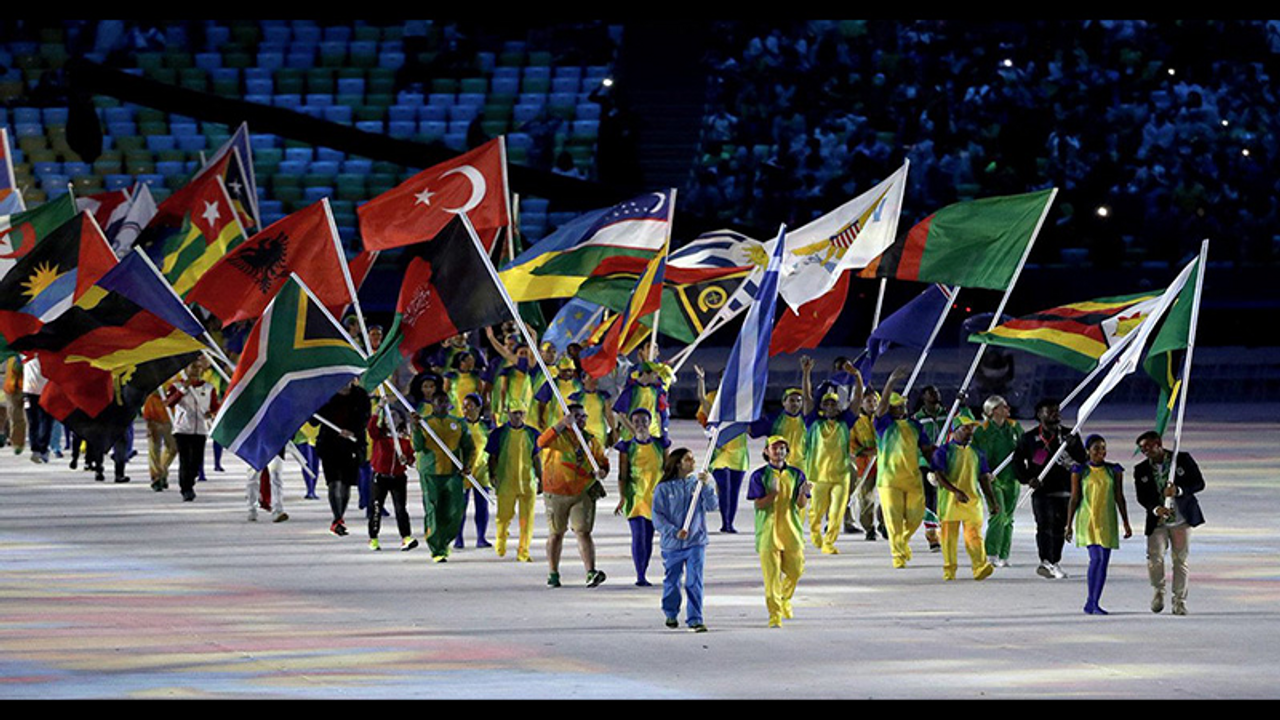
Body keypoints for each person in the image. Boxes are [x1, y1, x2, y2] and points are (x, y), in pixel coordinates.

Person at [538, 402, 610, 588]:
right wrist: (561, 424)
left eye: (583, 416)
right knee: (556, 533)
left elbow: (602, 461)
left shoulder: (591, 440)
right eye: (576, 416)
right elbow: (541, 442)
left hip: (583, 491)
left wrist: (602, 471)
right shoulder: (557, 437)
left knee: (583, 532)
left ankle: (590, 571)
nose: (581, 420)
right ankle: (553, 573)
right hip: (556, 491)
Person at [1133, 431, 1206, 616]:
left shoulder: (1181, 460)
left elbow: (1199, 483)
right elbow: (1142, 497)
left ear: (1159, 443)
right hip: (1158, 522)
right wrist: (1156, 509)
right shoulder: (1141, 469)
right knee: (1154, 558)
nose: (1146, 451)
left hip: (1181, 520)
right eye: (1142, 449)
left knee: (1180, 560)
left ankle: (1179, 600)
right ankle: (1158, 590)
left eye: (1149, 447)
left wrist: (1179, 490)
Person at [1014, 398, 1086, 580]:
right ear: (1040, 415)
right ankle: (1045, 560)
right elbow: (1017, 463)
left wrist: (1074, 445)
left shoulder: (1070, 436)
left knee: (1059, 528)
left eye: (1057, 411)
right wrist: (1027, 479)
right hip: (1042, 491)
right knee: (1044, 526)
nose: (1055, 414)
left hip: (1065, 489)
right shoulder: (1029, 438)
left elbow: (1083, 461)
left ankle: (1054, 561)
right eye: (1050, 411)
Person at [874, 366, 936, 568]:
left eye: (902, 405)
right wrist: (890, 382)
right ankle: (897, 555)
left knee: (916, 517)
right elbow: (880, 408)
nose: (901, 409)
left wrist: (937, 463)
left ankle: (902, 541)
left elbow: (926, 448)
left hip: (912, 479)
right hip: (889, 480)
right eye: (897, 406)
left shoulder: (915, 425)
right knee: (893, 520)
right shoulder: (883, 426)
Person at [747, 435, 810, 628]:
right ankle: (774, 614)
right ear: (766, 451)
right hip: (768, 532)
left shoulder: (797, 474)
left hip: (791, 529)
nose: (779, 451)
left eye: (783, 448)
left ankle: (784, 598)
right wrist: (772, 494)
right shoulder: (759, 476)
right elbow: (758, 504)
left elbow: (800, 504)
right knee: (772, 577)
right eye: (775, 448)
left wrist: (802, 493)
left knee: (796, 569)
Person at [652, 448, 717, 632]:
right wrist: (673, 531)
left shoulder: (696, 485)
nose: (693, 462)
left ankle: (695, 618)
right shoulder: (663, 489)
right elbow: (658, 516)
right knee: (672, 580)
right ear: (678, 463)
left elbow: (712, 506)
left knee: (694, 580)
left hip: (696, 542)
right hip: (672, 545)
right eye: (688, 459)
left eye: (693, 458)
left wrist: (706, 486)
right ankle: (671, 612)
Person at [1066, 434, 1132, 615]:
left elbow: (1119, 496)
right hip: (1088, 519)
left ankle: (1093, 602)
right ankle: (1091, 600)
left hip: (1107, 520)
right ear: (1088, 451)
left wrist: (1126, 522)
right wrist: (1068, 524)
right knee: (1096, 559)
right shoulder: (1080, 471)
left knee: (1104, 563)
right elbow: (1074, 498)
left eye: (1103, 448)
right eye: (1096, 449)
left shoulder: (1114, 470)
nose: (1101, 452)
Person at [930, 417, 999, 581]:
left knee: (974, 535)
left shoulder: (977, 452)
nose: (970, 432)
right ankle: (950, 569)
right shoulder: (943, 452)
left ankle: (980, 566)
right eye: (966, 428)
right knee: (948, 538)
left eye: (971, 429)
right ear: (955, 430)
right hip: (949, 502)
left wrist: (992, 501)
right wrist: (955, 491)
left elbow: (983, 478)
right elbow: (939, 475)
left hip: (972, 500)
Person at [412, 389, 475, 562]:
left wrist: (467, 465)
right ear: (432, 404)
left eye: (445, 402)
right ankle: (437, 549)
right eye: (438, 402)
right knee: (433, 509)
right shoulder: (425, 423)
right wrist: (416, 429)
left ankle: (446, 540)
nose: (442, 406)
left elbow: (469, 447)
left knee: (454, 511)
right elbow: (417, 447)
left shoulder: (458, 423)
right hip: (430, 473)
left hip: (453, 473)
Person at [614, 408, 671, 586]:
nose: (640, 425)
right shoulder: (627, 447)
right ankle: (640, 575)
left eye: (644, 421)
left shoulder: (661, 444)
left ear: (650, 422)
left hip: (656, 497)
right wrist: (622, 497)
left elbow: (668, 470)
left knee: (648, 536)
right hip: (636, 497)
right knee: (638, 536)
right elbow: (623, 475)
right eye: (636, 421)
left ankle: (643, 571)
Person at [802, 387, 861, 554]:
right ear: (820, 406)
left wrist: (857, 378)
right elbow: (807, 398)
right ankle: (815, 532)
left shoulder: (845, 423)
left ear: (838, 407)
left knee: (837, 512)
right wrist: (806, 373)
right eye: (826, 403)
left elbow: (857, 400)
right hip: (818, 476)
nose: (829, 406)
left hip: (840, 476)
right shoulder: (813, 422)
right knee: (816, 512)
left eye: (833, 403)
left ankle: (829, 542)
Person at [694, 365, 748, 533]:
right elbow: (703, 401)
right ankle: (725, 522)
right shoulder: (713, 397)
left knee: (734, 491)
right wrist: (701, 380)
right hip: (719, 450)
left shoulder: (742, 399)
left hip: (738, 450)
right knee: (724, 487)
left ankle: (729, 523)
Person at [971, 395, 1023, 567]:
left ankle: (1004, 554)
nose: (1008, 409)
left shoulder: (1015, 428)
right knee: (998, 514)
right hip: (992, 479)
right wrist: (983, 472)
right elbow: (976, 455)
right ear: (993, 411)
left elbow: (1026, 449)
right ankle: (991, 552)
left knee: (1009, 518)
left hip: (1012, 478)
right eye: (1003, 406)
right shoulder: (982, 431)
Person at [313, 380, 371, 536]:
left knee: (346, 482)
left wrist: (353, 431)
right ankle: (337, 518)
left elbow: (365, 417)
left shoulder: (360, 395)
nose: (345, 384)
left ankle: (341, 515)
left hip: (351, 445)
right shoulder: (326, 394)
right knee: (333, 481)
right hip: (329, 444)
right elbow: (313, 421)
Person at [485, 404, 541, 561]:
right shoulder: (498, 434)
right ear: (508, 413)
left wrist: (541, 479)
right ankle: (501, 539)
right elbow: (492, 457)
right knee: (504, 516)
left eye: (521, 413)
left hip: (527, 481)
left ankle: (524, 551)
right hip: (506, 481)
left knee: (527, 519)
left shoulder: (532, 433)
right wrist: (492, 475)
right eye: (515, 413)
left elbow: (536, 457)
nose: (518, 416)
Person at [164, 356, 219, 502]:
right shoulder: (176, 386)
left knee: (196, 461)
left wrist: (211, 413)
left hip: (200, 429)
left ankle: (190, 480)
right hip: (183, 429)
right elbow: (169, 403)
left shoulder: (208, 388)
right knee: (185, 459)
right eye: (193, 367)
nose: (196, 370)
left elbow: (215, 407)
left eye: (199, 367)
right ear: (186, 370)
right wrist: (183, 389)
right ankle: (186, 489)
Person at [366, 400, 418, 552]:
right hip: (380, 477)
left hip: (398, 477)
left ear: (401, 420)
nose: (392, 419)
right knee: (376, 507)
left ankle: (406, 537)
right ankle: (373, 538)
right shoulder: (380, 436)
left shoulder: (405, 440)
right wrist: (378, 409)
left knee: (401, 508)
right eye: (388, 416)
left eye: (395, 416)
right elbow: (371, 428)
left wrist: (406, 460)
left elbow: (411, 459)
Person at [455, 392, 492, 550]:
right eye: (464, 406)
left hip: (481, 471)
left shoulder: (487, 426)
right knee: (459, 507)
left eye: (470, 406)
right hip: (462, 472)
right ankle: (458, 538)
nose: (466, 410)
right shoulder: (458, 425)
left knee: (482, 506)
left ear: (479, 408)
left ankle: (481, 537)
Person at [850, 388, 886, 541]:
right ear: (862, 403)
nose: (872, 404)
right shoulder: (856, 421)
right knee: (866, 497)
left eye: (875, 401)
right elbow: (851, 443)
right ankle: (869, 528)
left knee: (887, 496)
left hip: (884, 463)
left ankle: (884, 523)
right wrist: (865, 452)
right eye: (869, 401)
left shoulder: (883, 418)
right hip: (865, 464)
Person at [612, 361, 668, 441]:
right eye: (654, 373)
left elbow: (657, 413)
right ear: (645, 373)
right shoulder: (631, 390)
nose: (657, 376)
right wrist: (634, 432)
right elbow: (621, 415)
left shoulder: (655, 391)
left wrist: (660, 433)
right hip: (632, 437)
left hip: (652, 435)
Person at [142, 388, 177, 492]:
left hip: (169, 420)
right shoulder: (151, 397)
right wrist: (149, 425)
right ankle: (156, 477)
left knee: (173, 448)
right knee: (154, 449)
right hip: (154, 421)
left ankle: (162, 470)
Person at [21, 355, 52, 463]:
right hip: (45, 391)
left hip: (29, 391)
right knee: (45, 421)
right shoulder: (49, 354)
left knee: (33, 422)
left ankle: (36, 449)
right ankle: (42, 449)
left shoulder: (25, 355)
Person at [246, 453, 289, 523]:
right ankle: (252, 509)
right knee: (253, 478)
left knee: (276, 477)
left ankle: (278, 511)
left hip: (275, 448)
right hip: (255, 448)